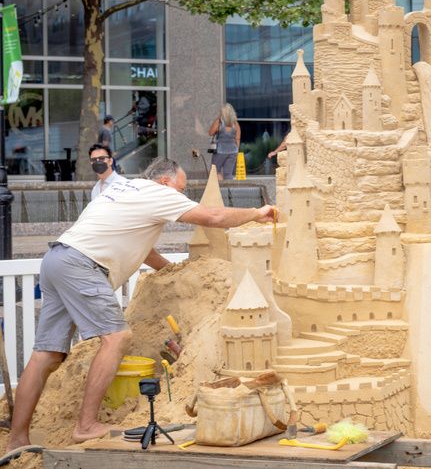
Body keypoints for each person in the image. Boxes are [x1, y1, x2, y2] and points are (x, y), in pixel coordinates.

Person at [3, 157, 276, 456]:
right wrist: (255, 213)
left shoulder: (123, 189)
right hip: (84, 265)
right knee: (117, 337)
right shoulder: (157, 194)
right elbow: (211, 216)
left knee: (46, 354)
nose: (182, 197)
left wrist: (171, 271)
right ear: (164, 182)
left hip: (57, 259)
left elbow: (141, 248)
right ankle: (87, 425)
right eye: (181, 189)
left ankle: (18, 438)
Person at [208, 103, 241, 181]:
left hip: (220, 151)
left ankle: (219, 190)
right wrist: (236, 150)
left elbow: (210, 133)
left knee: (215, 171)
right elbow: (238, 138)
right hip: (233, 151)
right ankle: (229, 191)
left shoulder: (219, 121)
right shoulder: (235, 123)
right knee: (228, 174)